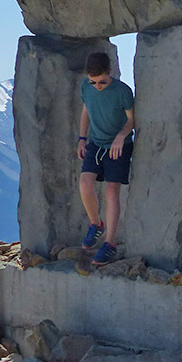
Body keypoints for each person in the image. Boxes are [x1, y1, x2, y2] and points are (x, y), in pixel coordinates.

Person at [77, 52, 134, 267]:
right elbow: (86, 112)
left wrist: (121, 136)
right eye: (93, 82)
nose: (97, 86)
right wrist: (82, 138)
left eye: (102, 81)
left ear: (110, 73)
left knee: (111, 191)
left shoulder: (122, 91)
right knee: (85, 184)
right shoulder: (86, 87)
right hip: (95, 143)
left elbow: (131, 119)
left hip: (118, 146)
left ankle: (109, 244)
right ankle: (96, 224)